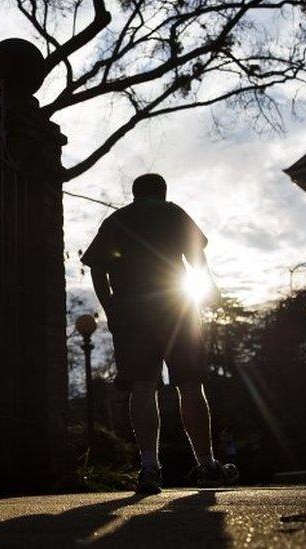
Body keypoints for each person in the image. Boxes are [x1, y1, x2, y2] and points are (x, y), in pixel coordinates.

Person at [81, 173, 238, 495]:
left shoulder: (116, 220)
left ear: (136, 194)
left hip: (131, 311)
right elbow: (197, 257)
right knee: (191, 384)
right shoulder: (172, 212)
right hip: (175, 306)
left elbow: (97, 267)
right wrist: (210, 290)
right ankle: (207, 464)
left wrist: (111, 309)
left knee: (142, 387)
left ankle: (149, 467)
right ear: (162, 193)